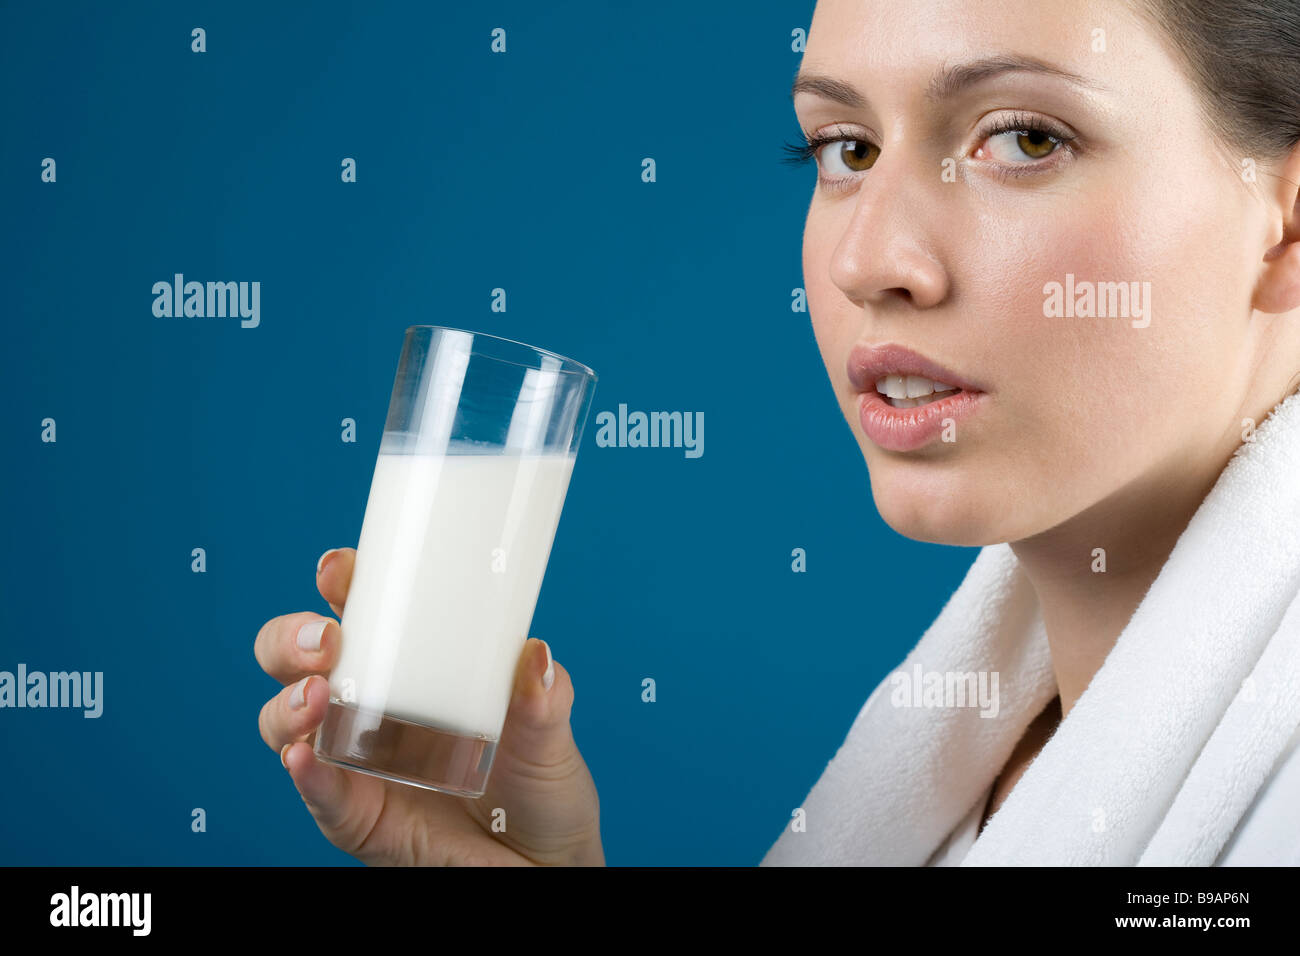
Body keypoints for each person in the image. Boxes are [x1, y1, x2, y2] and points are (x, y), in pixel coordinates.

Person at [255, 0, 1300, 865]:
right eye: (845, 147)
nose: (868, 259)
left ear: (1285, 221)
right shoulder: (969, 766)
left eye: (1023, 138)